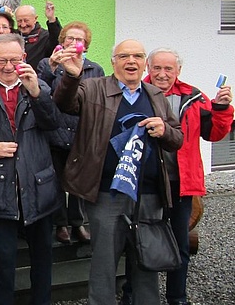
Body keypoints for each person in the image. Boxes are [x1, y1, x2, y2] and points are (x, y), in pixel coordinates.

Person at [53, 39, 183, 304]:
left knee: (147, 262)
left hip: (148, 195)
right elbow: (64, 103)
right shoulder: (93, 88)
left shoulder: (155, 94)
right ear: (113, 62)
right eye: (124, 56)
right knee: (104, 264)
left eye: (137, 56)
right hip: (106, 193)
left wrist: (165, 130)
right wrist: (71, 75)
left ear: (144, 62)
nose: (131, 61)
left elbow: (177, 139)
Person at [119, 48, 233, 305]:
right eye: (157, 68)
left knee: (180, 243)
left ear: (178, 71)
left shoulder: (193, 97)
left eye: (168, 69)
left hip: (180, 182)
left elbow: (213, 134)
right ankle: (132, 294)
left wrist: (222, 109)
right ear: (148, 67)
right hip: (144, 182)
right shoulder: (135, 92)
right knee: (138, 240)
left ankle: (177, 298)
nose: (162, 74)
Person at [0, 34, 61, 305]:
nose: (8, 66)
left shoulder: (37, 85)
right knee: (3, 257)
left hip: (37, 184)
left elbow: (53, 124)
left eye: (14, 60)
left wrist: (37, 93)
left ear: (24, 59)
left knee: (42, 256)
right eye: (2, 60)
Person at [37, 22, 105, 245]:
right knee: (55, 181)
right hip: (55, 130)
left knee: (78, 182)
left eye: (80, 40)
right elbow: (40, 92)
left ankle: (78, 223)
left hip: (80, 132)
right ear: (62, 41)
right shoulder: (49, 64)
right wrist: (52, 68)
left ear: (86, 46)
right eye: (70, 39)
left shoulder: (95, 69)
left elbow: (96, 100)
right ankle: (61, 224)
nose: (74, 43)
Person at [15, 3, 62, 70]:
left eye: (26, 20)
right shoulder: (13, 36)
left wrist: (51, 19)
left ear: (35, 19)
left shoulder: (45, 36)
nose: (23, 25)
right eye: (19, 21)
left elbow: (57, 40)